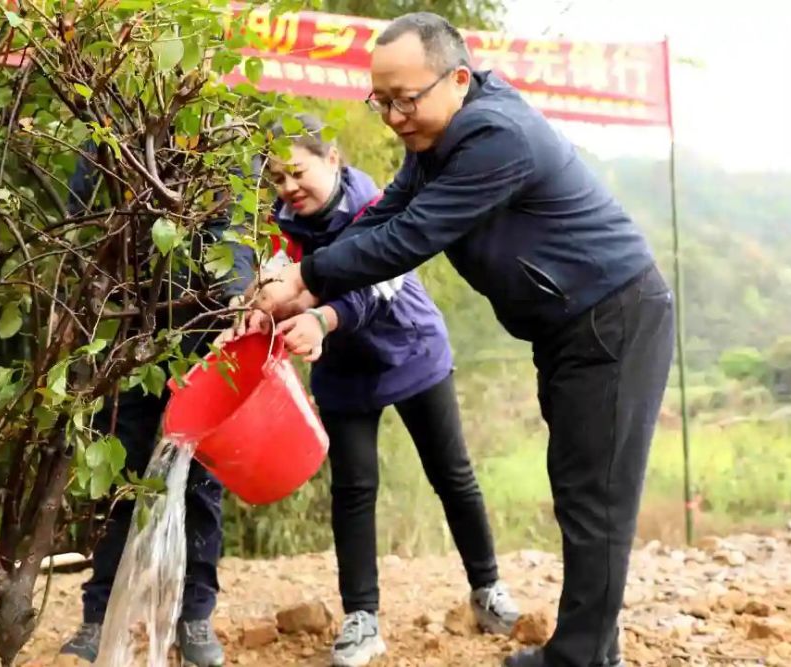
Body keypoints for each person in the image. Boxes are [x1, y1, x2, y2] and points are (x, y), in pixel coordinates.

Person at [250, 14, 675, 667]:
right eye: (381, 100)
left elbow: (414, 235)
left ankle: (580, 657)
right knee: (580, 486)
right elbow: (386, 212)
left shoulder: (493, 137)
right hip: (571, 324)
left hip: (612, 317)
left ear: (456, 78)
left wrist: (310, 274)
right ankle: (594, 649)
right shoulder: (439, 139)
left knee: (595, 494)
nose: (392, 116)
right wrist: (303, 287)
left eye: (404, 99)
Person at [224, 114, 519, 667]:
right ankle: (362, 618)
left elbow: (376, 284)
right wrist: (259, 313)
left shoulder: (377, 204)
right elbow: (274, 285)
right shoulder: (280, 225)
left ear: (331, 160)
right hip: (343, 368)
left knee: (452, 474)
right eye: (276, 180)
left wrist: (322, 318)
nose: (289, 188)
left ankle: (488, 589)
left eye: (297, 172)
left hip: (411, 352)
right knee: (354, 489)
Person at [59, 145, 256, 667]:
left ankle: (194, 616)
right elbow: (80, 219)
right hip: (125, 332)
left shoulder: (218, 128)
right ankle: (99, 617)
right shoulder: (110, 131)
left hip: (202, 332)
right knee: (117, 472)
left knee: (200, 483)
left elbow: (238, 229)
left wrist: (235, 293)